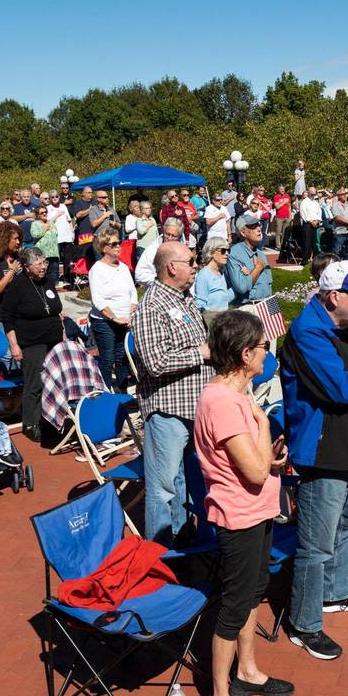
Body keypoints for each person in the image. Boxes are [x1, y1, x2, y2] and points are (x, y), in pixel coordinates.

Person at [194, 311, 294, 696]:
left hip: (257, 511)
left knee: (254, 592)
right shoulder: (225, 402)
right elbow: (253, 472)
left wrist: (270, 455)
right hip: (238, 516)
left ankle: (248, 671)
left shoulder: (238, 394)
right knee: (234, 607)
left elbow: (259, 463)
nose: (268, 353)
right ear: (244, 353)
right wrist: (264, 423)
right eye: (263, 347)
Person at [279, 259, 348, 661]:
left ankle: (336, 592)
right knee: (316, 544)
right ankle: (304, 624)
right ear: (333, 296)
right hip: (323, 450)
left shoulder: (345, 325)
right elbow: (340, 389)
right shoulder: (309, 332)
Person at [130, 241, 214, 544]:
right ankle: (161, 557)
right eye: (190, 261)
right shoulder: (151, 307)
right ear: (171, 267)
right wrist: (201, 353)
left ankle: (183, 544)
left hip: (196, 408)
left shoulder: (184, 299)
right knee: (163, 489)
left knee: (185, 483)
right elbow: (155, 362)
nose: (195, 266)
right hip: (168, 412)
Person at [0, 247, 65, 441]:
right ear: (27, 267)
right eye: (38, 264)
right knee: (34, 383)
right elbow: (7, 318)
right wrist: (14, 345)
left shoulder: (48, 282)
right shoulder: (17, 286)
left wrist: (63, 333)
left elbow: (56, 311)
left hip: (54, 340)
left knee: (55, 382)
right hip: (31, 342)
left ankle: (52, 419)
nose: (43, 267)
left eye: (44, 262)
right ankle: (31, 422)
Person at [88, 227, 137, 392]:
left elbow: (132, 292)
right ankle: (105, 392)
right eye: (114, 244)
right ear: (104, 247)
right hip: (104, 322)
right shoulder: (97, 269)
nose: (118, 246)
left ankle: (122, 391)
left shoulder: (123, 267)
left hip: (124, 320)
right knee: (107, 359)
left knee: (122, 357)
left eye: (119, 243)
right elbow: (98, 299)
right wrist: (114, 317)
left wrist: (130, 313)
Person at [225, 215, 273, 307]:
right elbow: (241, 287)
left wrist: (273, 311)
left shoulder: (260, 253)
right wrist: (258, 268)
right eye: (253, 226)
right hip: (250, 307)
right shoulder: (234, 254)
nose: (259, 228)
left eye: (258, 225)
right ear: (243, 232)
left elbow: (268, 285)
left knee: (277, 322)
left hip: (269, 302)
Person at [194, 236, 233, 328]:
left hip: (225, 322)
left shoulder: (222, 272)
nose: (227, 254)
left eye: (228, 250)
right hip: (213, 325)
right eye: (223, 251)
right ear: (211, 252)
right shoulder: (204, 275)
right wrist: (214, 315)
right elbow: (200, 303)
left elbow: (225, 296)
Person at [134, 217, 183, 286]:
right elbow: (139, 275)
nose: (169, 238)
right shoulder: (152, 250)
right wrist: (162, 281)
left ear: (179, 237)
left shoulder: (183, 250)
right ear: (163, 231)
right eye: (167, 234)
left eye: (174, 236)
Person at [30, 205, 59, 281]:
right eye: (42, 213)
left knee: (54, 272)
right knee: (43, 272)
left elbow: (56, 234)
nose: (44, 214)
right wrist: (44, 229)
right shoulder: (35, 224)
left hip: (53, 253)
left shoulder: (51, 223)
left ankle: (54, 289)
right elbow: (35, 235)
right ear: (38, 215)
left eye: (45, 212)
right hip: (42, 254)